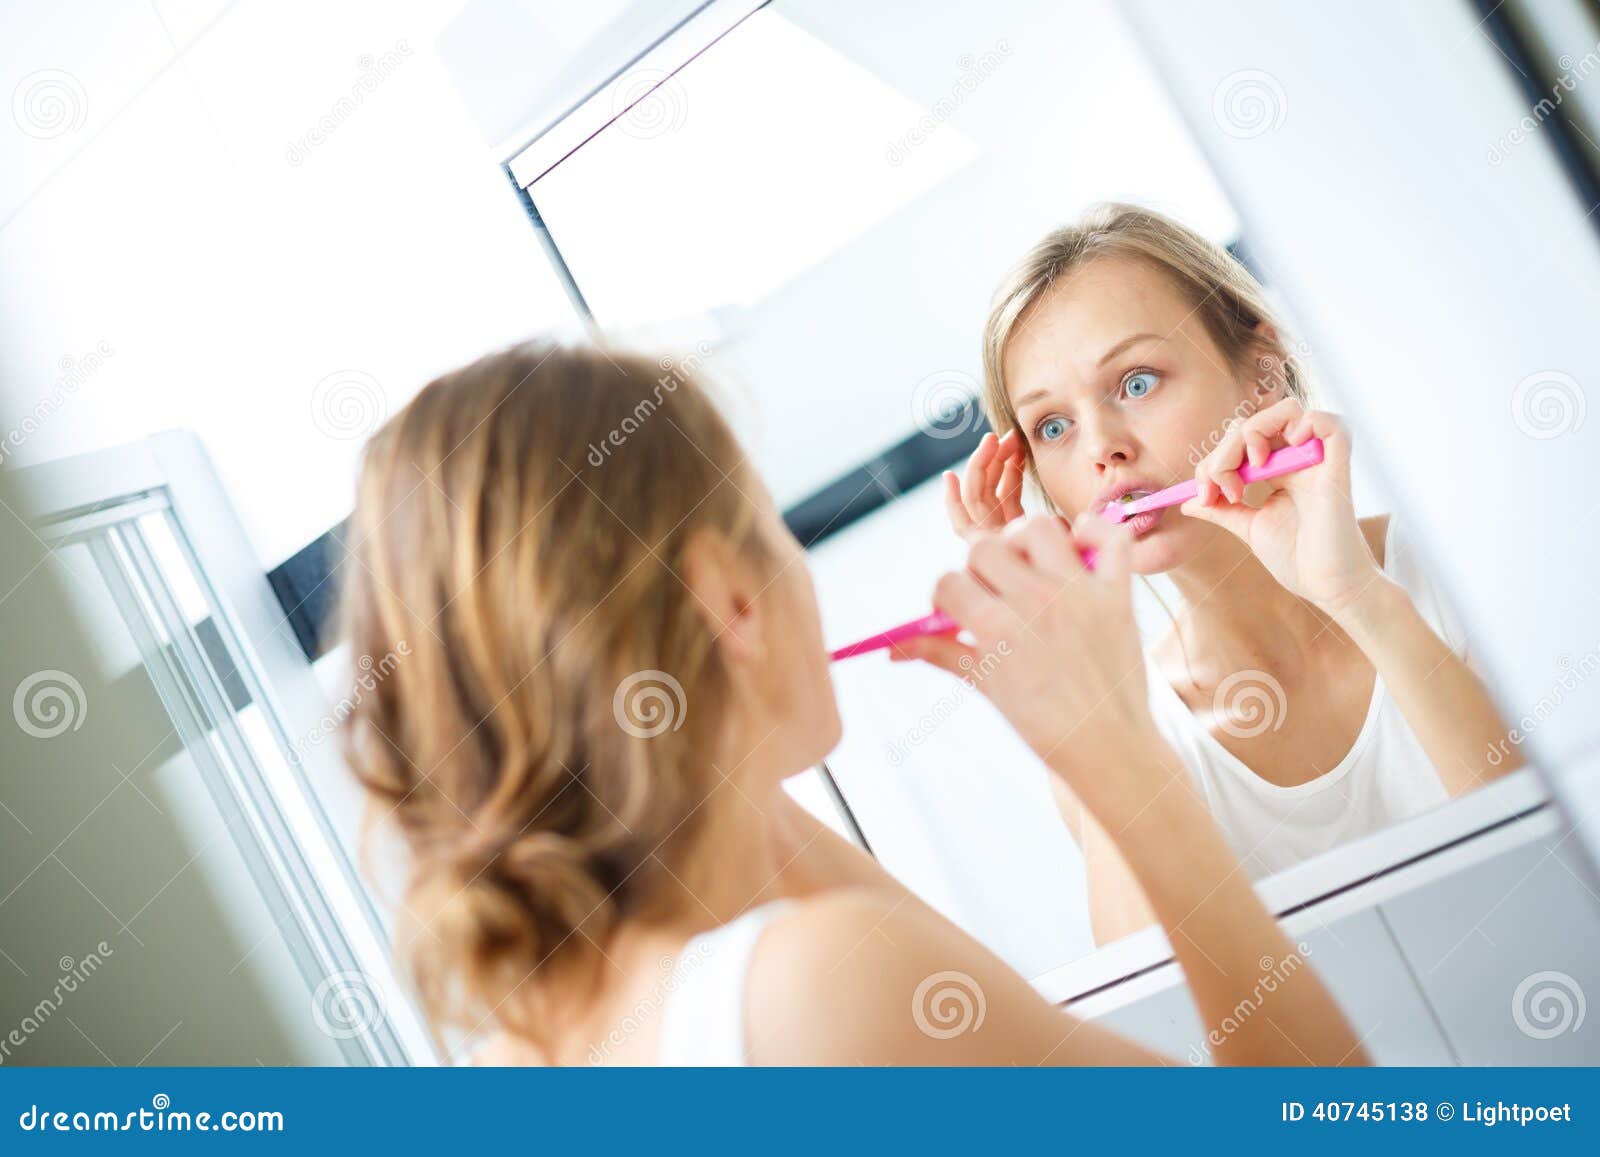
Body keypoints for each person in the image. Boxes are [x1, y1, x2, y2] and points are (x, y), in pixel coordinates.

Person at [338, 341, 1365, 1065]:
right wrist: (1118, 749)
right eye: (770, 525)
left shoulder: (520, 1063)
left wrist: (711, 753)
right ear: (731, 597)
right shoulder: (809, 989)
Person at [930, 202, 1516, 944]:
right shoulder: (1117, 731)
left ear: (1263, 373)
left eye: (1136, 382)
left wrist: (1358, 599)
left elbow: (1561, 873)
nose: (1101, 448)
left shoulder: (1465, 567)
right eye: (1054, 426)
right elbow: (1178, 1029)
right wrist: (1090, 691)